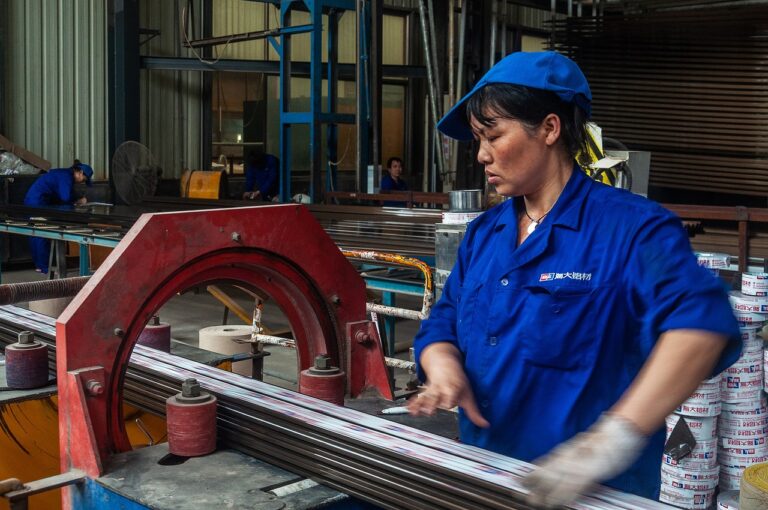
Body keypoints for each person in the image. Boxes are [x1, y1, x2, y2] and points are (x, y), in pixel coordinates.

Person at [407, 51, 741, 507]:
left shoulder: (631, 229)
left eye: (493, 136)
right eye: (478, 140)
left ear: (549, 128)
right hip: (489, 480)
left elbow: (700, 326)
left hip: (591, 494)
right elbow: (445, 318)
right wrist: (442, 362)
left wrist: (611, 440)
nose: (482, 155)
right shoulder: (484, 234)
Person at [24, 160, 93, 273]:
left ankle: (40, 266)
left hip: (34, 201)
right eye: (84, 180)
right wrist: (78, 201)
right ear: (80, 173)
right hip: (38, 203)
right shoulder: (66, 177)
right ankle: (44, 267)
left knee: (35, 233)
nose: (81, 182)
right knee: (40, 233)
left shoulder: (64, 173)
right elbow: (65, 197)